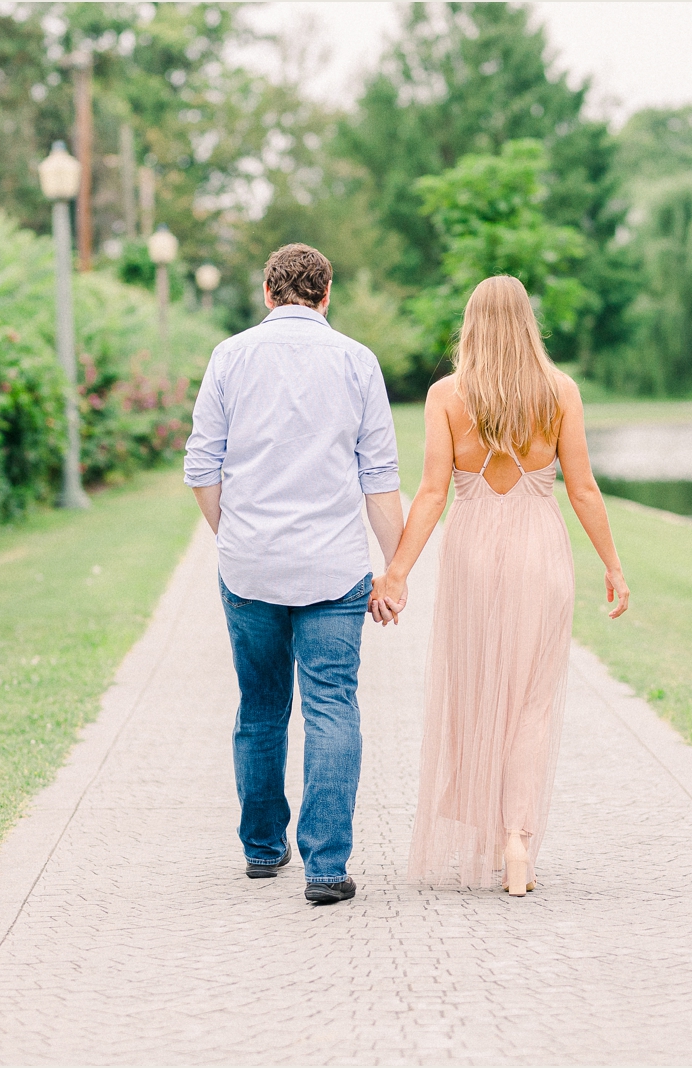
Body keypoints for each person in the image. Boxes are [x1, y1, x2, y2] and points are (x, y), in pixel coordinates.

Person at [369, 275, 630, 896]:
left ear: (472, 324)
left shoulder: (446, 395)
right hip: (542, 552)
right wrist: (613, 566)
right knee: (533, 701)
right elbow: (583, 488)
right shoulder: (559, 392)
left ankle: (491, 831)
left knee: (478, 690)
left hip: (473, 555)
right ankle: (517, 839)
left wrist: (397, 572)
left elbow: (432, 491)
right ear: (527, 322)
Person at [183, 244, 404, 906]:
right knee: (332, 703)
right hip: (335, 567)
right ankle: (327, 865)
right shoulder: (358, 362)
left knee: (260, 705)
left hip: (249, 564)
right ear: (327, 293)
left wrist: (234, 537)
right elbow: (380, 479)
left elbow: (201, 467)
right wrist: (396, 570)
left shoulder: (230, 357)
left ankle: (261, 847)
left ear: (266, 291)